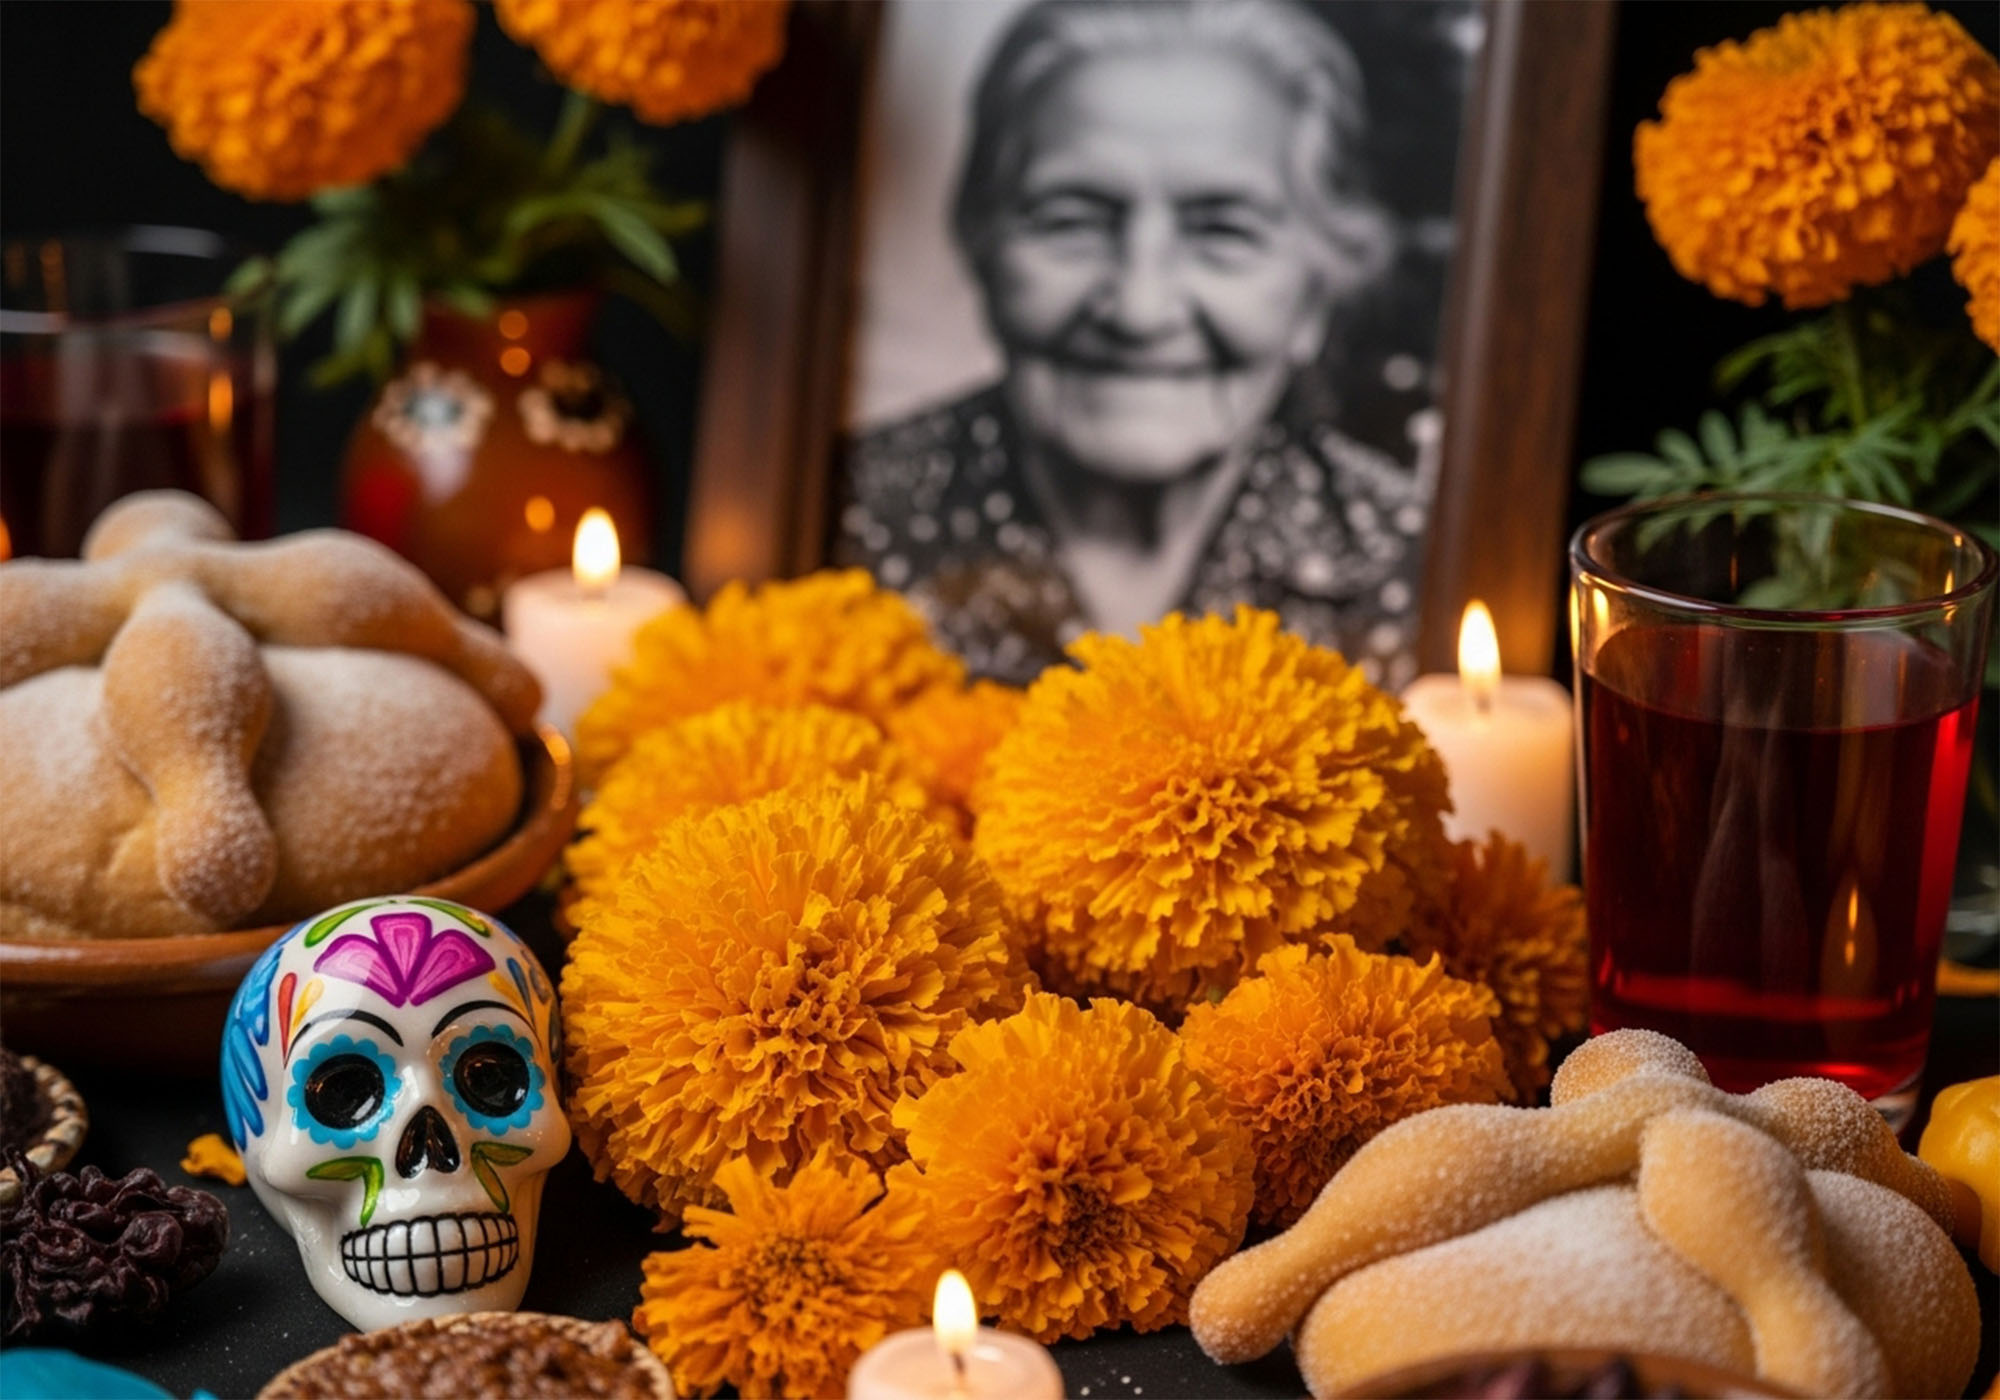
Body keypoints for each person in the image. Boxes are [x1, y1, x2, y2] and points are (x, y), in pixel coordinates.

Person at [840, 0, 1437, 686]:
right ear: (984, 247)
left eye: (1224, 232)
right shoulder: (847, 514)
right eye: (1073, 219)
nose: (1139, 307)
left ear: (1321, 281)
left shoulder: (1409, 554)